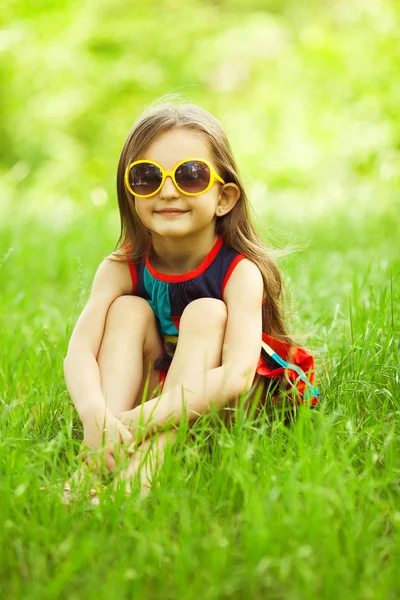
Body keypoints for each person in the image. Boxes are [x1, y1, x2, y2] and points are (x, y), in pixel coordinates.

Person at [63, 100, 319, 503]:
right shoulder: (120, 267)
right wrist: (95, 412)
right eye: (146, 177)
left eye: (191, 176)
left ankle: (143, 471)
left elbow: (235, 377)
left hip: (224, 403)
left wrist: (134, 419)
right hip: (157, 386)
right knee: (127, 310)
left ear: (224, 197)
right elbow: (79, 352)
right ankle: (98, 455)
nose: (167, 191)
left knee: (207, 311)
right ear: (130, 193)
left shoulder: (240, 272)